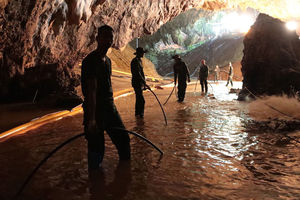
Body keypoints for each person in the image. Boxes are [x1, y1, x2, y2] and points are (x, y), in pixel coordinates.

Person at [81, 25, 131, 169]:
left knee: (123, 140)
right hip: (95, 111)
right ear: (97, 38)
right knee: (97, 149)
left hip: (110, 108)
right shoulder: (90, 61)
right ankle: (95, 183)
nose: (108, 40)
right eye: (105, 37)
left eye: (111, 37)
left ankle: (124, 179)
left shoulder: (108, 61)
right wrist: (91, 120)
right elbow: (91, 91)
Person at [130, 47, 149, 118]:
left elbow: (142, 72)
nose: (143, 54)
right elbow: (137, 73)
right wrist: (144, 83)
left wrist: (144, 83)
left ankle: (138, 114)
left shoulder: (139, 61)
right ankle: (140, 114)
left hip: (140, 83)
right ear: (139, 53)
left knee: (139, 98)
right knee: (141, 100)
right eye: (142, 53)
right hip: (136, 82)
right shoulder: (135, 61)